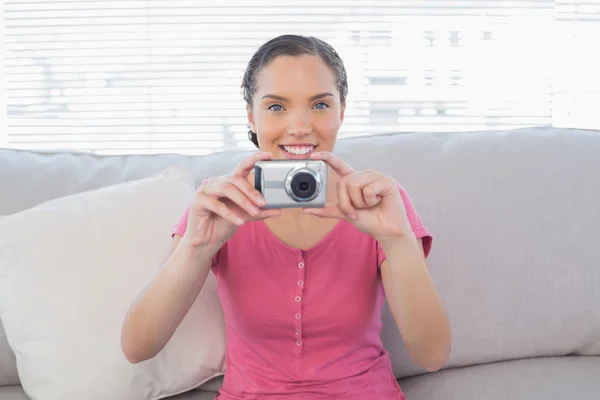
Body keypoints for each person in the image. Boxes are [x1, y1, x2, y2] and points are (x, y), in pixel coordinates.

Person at [121, 34, 451, 400]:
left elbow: (432, 355)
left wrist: (397, 240)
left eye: (320, 105)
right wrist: (197, 248)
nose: (299, 127)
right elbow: (137, 348)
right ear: (251, 116)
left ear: (342, 111)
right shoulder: (219, 204)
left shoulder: (376, 200)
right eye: (277, 107)